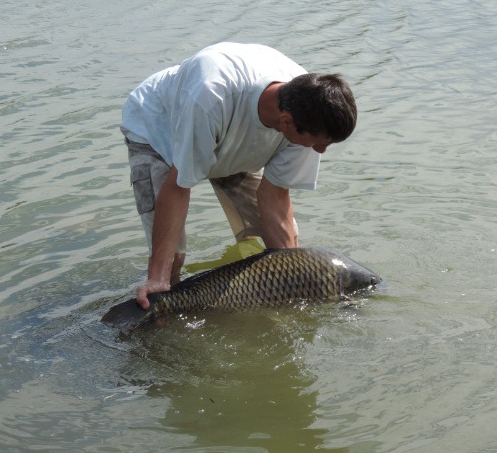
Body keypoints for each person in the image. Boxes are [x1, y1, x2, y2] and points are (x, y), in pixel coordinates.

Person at [120, 42, 357, 309]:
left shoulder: (312, 108)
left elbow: (275, 196)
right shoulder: (210, 97)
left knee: (287, 257)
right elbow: (178, 187)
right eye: (318, 143)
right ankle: (158, 316)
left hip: (231, 138)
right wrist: (157, 279)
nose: (321, 151)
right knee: (170, 265)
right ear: (287, 122)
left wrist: (295, 282)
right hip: (158, 131)